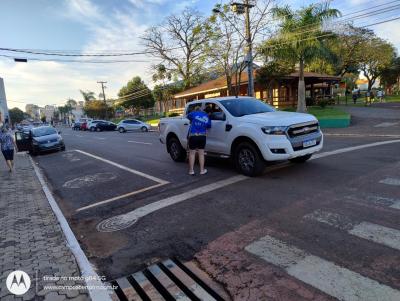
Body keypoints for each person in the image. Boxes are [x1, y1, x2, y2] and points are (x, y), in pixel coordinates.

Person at [187, 106, 211, 175]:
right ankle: (202, 170)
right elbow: (209, 126)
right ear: (201, 110)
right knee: (201, 153)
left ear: (195, 110)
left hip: (193, 135)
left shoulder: (193, 114)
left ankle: (191, 171)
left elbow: (188, 116)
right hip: (202, 136)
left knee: (192, 153)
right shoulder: (205, 115)